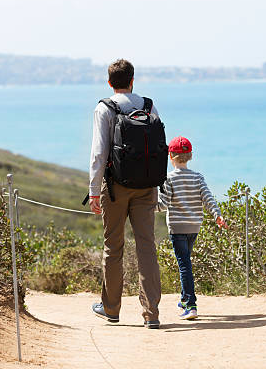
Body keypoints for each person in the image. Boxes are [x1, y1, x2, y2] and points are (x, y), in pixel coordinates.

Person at [89, 59, 162, 329]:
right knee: (147, 247)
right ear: (133, 80)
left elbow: (99, 152)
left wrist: (94, 191)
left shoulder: (104, 108)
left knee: (113, 247)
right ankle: (151, 313)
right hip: (147, 186)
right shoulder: (148, 105)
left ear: (110, 83)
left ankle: (111, 309)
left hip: (116, 188)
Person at [156, 136, 228, 320]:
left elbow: (163, 205)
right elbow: (208, 198)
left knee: (184, 265)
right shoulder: (198, 177)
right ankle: (184, 298)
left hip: (177, 227)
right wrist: (217, 215)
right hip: (194, 226)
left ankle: (190, 304)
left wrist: (145, 206)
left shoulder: (168, 179)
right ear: (190, 156)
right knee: (186, 262)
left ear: (170, 156)